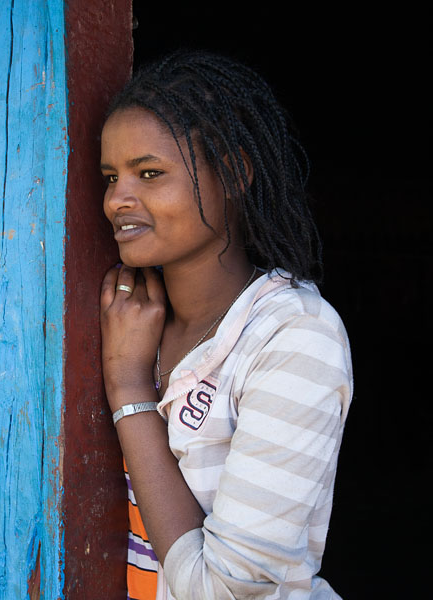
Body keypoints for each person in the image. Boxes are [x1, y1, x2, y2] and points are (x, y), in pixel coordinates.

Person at [98, 51, 352, 600]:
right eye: (111, 177)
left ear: (234, 173)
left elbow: (224, 591)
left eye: (149, 173)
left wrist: (130, 390)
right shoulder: (132, 322)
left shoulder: (293, 336)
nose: (118, 199)